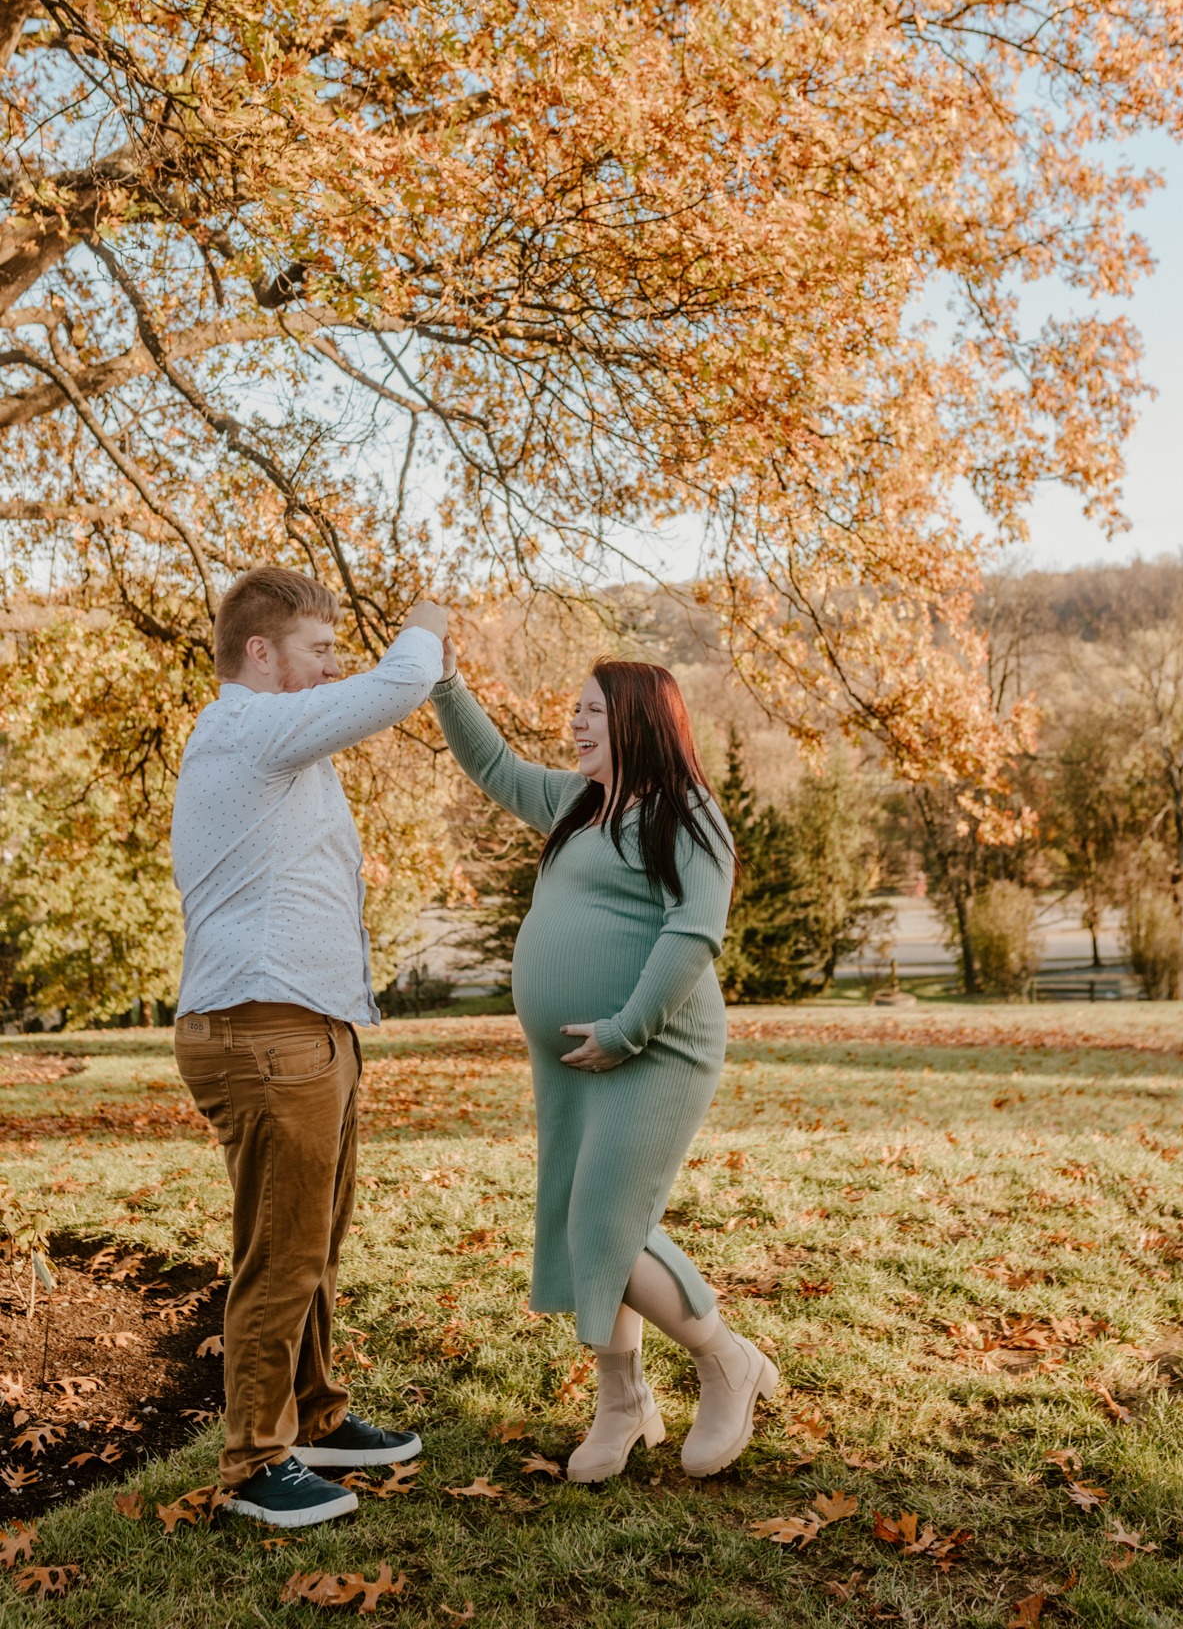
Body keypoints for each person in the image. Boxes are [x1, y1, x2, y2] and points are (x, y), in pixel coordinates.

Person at [433, 643, 778, 1481]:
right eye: (576, 709)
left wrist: (626, 1029)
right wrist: (446, 681)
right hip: (575, 1056)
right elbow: (491, 762)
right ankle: (622, 1403)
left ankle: (726, 1359)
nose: (576, 722)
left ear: (637, 719)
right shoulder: (575, 803)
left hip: (656, 1045)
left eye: (592, 710)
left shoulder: (687, 812)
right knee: (584, 1217)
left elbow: (693, 933)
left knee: (604, 1224)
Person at [171, 567, 447, 1528]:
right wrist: (426, 625)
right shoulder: (248, 727)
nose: (335, 669)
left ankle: (316, 1415)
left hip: (306, 1027)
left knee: (313, 1244)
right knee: (280, 1254)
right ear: (260, 652)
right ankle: (254, 1463)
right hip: (266, 1032)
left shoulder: (275, 745)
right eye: (319, 650)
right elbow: (402, 684)